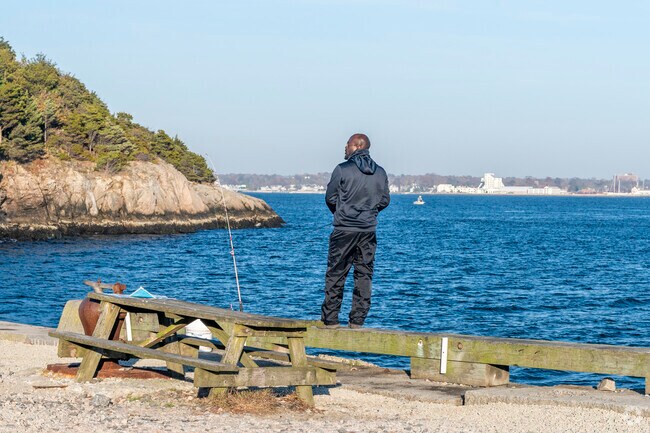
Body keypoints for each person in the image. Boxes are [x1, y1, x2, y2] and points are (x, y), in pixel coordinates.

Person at [321, 133, 390, 329]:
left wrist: (342, 213)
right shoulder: (381, 172)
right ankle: (357, 321)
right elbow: (385, 200)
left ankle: (331, 320)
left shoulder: (342, 169)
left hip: (344, 230)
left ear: (356, 146)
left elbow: (330, 197)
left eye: (347, 144)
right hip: (368, 230)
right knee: (364, 274)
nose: (344, 147)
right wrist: (368, 213)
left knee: (336, 273)